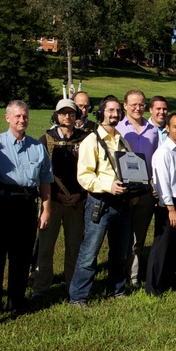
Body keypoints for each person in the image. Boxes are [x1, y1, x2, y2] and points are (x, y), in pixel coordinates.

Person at [0, 101, 53, 323]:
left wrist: (46, 209)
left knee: (21, 258)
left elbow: (46, 181)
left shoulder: (37, 147)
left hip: (26, 206)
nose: (22, 120)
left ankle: (17, 302)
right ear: (7, 118)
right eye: (18, 116)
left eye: (25, 116)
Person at [69, 96, 136, 307]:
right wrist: (108, 186)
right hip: (100, 202)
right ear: (101, 113)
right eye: (110, 111)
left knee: (119, 252)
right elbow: (84, 176)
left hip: (122, 203)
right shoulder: (91, 141)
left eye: (118, 111)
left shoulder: (122, 140)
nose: (115, 114)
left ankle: (116, 290)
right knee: (90, 253)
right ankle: (78, 297)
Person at [32, 98, 88, 302]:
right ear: (56, 115)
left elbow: (92, 169)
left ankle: (73, 285)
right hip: (52, 202)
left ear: (77, 116)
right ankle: (40, 288)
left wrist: (80, 194)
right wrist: (54, 195)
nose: (67, 116)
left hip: (77, 200)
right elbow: (39, 173)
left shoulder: (86, 139)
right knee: (45, 247)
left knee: (75, 246)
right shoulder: (45, 139)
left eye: (71, 113)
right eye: (63, 113)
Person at [116, 89, 158, 289]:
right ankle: (117, 276)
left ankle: (132, 276)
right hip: (123, 191)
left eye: (141, 104)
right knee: (120, 236)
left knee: (138, 238)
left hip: (145, 191)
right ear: (125, 106)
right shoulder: (117, 129)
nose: (137, 108)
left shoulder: (153, 130)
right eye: (133, 104)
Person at [148, 112, 176, 296]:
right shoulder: (162, 153)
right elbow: (162, 183)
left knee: (175, 246)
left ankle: (169, 280)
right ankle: (153, 287)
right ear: (167, 128)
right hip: (169, 205)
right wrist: (171, 209)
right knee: (161, 246)